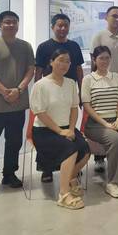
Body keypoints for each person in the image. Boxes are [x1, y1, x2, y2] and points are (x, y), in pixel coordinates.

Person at [0, 10, 35, 195]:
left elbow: (31, 70)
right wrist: (4, 91)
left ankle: (9, 174)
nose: (11, 25)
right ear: (0, 25)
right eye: (7, 22)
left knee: (14, 143)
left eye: (14, 22)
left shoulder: (25, 46)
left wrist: (19, 90)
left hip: (17, 105)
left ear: (18, 25)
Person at [29, 49, 90, 210]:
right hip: (44, 130)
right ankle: (63, 194)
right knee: (70, 149)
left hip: (66, 128)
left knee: (85, 149)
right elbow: (40, 113)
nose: (64, 64)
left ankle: (70, 178)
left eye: (67, 61)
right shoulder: (41, 85)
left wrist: (71, 129)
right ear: (51, 62)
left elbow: (74, 108)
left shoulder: (70, 84)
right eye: (61, 60)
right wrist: (60, 131)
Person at [35, 13, 85, 182]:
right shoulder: (44, 47)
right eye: (59, 25)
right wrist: (37, 88)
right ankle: (46, 169)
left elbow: (78, 69)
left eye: (66, 25)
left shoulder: (74, 46)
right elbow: (38, 70)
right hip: (51, 93)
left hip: (68, 90)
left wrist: (81, 90)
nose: (63, 28)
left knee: (69, 128)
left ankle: (71, 166)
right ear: (53, 27)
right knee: (49, 130)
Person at [82, 46, 118, 198]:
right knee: (115, 138)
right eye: (101, 58)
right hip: (95, 124)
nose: (104, 61)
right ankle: (113, 182)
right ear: (94, 60)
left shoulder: (116, 77)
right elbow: (87, 106)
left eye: (107, 58)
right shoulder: (88, 79)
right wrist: (105, 124)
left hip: (115, 120)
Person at [90, 6, 118, 173]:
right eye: (114, 16)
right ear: (106, 17)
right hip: (102, 87)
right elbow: (94, 61)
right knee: (101, 122)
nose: (117, 19)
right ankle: (99, 157)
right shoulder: (99, 36)